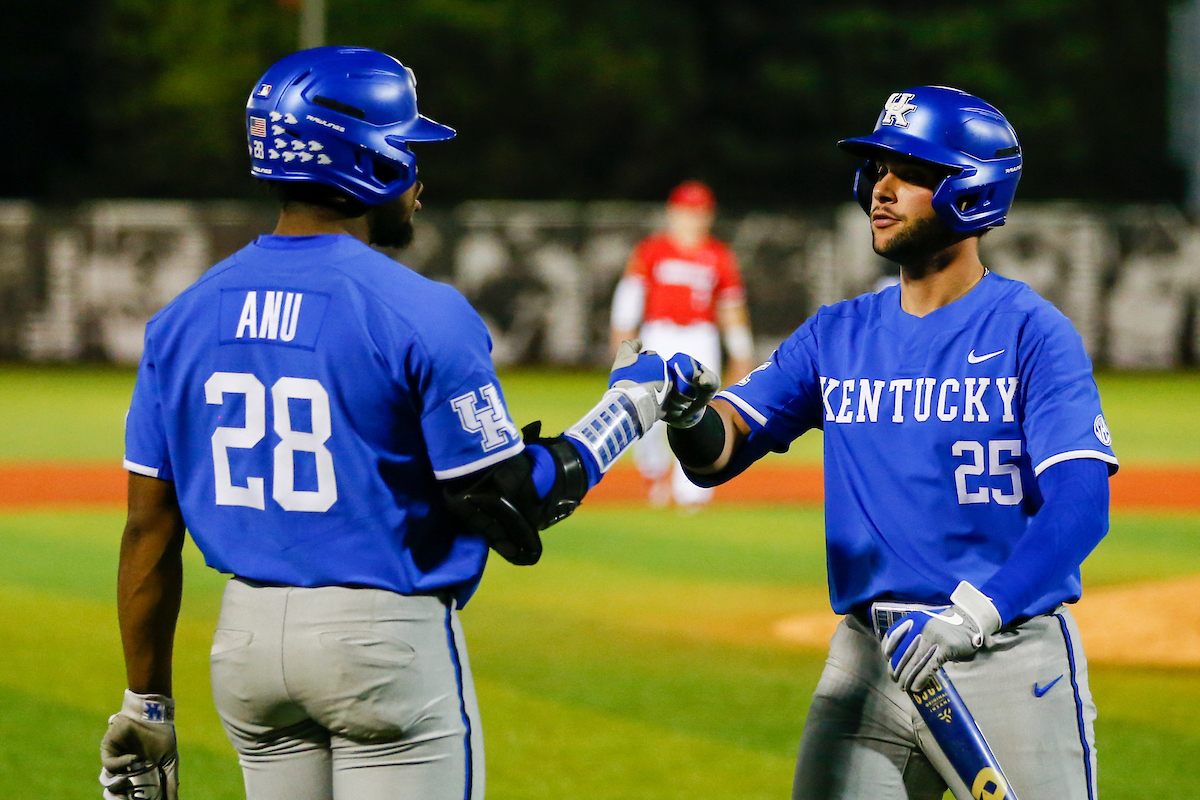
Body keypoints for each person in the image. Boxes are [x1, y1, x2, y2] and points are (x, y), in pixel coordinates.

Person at [97, 46, 715, 800]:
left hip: (247, 650)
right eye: (406, 151)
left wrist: (147, 706)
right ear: (367, 160)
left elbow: (148, 529)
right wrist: (632, 405)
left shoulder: (180, 319)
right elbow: (509, 498)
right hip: (380, 643)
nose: (419, 179)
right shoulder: (420, 310)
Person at [665, 86, 1117, 799]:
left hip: (1005, 654)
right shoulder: (836, 334)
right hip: (868, 662)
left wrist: (977, 614)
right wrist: (686, 413)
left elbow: (1082, 505)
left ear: (971, 188)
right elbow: (719, 451)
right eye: (877, 168)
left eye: (909, 172)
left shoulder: (1032, 333)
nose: (881, 188)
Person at [609, 180, 754, 507]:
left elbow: (731, 308)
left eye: (699, 212)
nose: (693, 219)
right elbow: (630, 296)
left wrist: (741, 352)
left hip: (701, 336)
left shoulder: (718, 255)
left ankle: (693, 487)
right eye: (687, 211)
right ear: (672, 213)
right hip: (659, 333)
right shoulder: (653, 250)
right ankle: (654, 472)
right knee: (645, 403)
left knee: (698, 409)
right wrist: (621, 335)